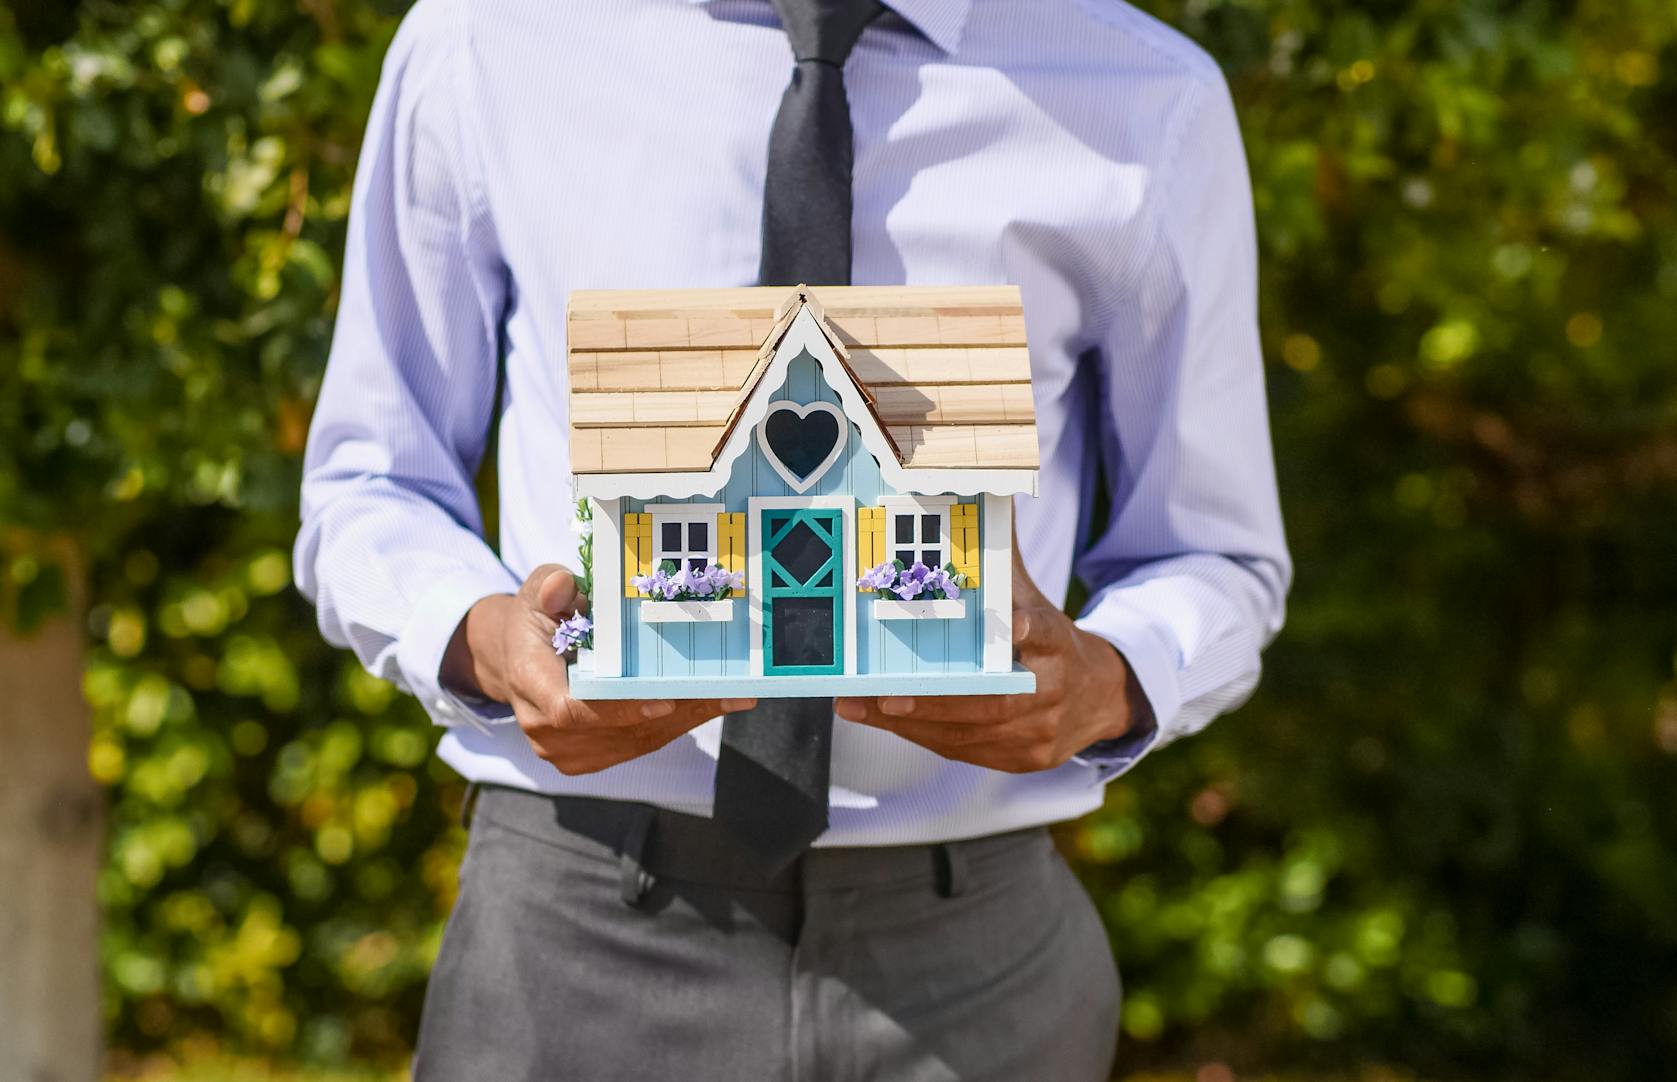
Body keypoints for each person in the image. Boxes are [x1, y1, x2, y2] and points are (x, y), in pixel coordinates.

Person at [294, 0, 1289, 1078]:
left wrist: (1107, 679)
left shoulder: (1145, 94)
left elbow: (1215, 552)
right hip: (573, 937)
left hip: (978, 969)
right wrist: (484, 638)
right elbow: (370, 480)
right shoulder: (485, 41)